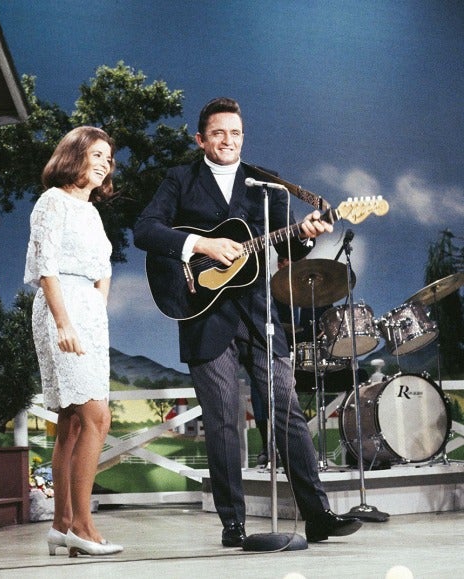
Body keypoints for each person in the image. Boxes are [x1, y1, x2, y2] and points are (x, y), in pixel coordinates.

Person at [133, 97, 362, 547]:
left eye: (235, 133)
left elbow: (290, 252)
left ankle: (317, 516)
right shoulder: (181, 179)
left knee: (286, 412)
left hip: (262, 315)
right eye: (218, 133)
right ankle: (233, 523)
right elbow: (145, 230)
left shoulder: (268, 187)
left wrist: (307, 235)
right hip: (203, 312)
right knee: (221, 421)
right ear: (201, 139)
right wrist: (201, 245)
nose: (228, 141)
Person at [24, 126, 123, 557]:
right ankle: (83, 527)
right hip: (60, 308)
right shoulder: (53, 202)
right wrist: (64, 323)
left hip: (89, 314)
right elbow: (46, 266)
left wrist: (95, 313)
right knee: (97, 417)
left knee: (73, 422)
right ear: (73, 155)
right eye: (95, 155)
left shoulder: (92, 213)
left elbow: (104, 271)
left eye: (108, 158)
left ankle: (61, 524)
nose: (103, 163)